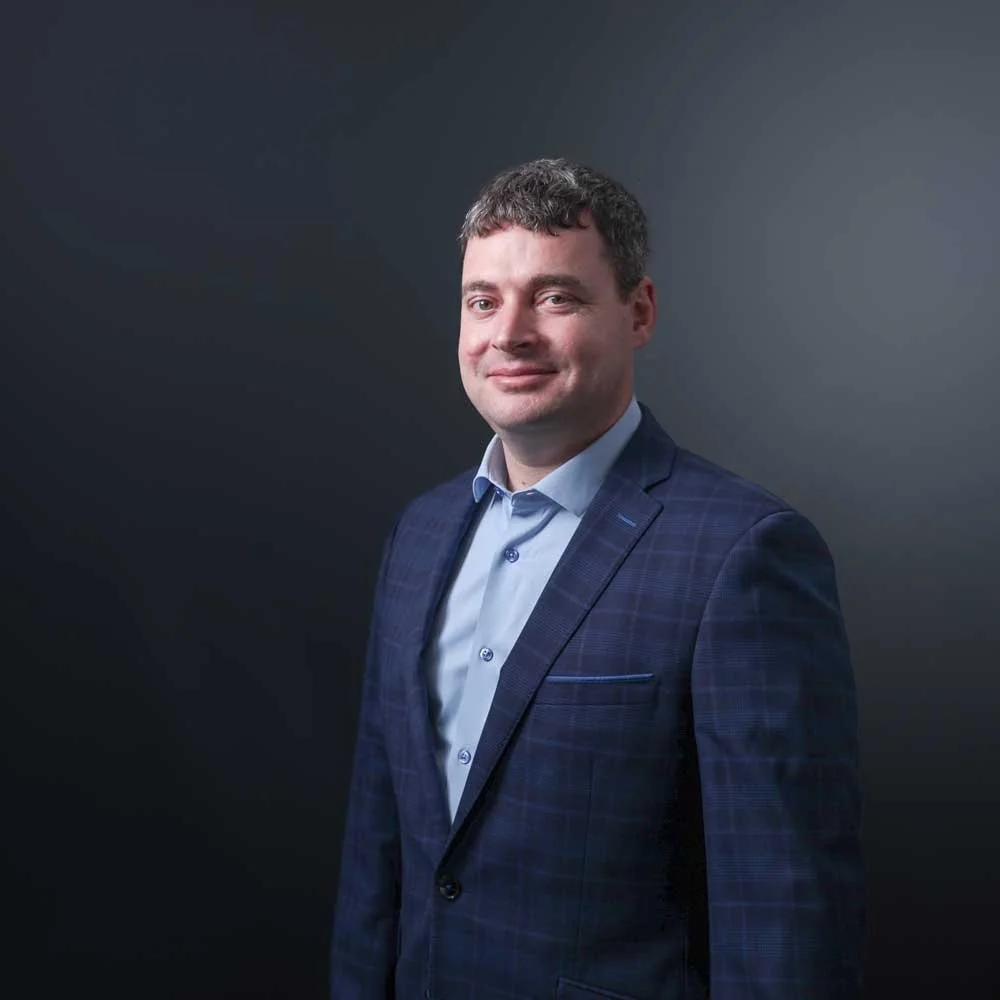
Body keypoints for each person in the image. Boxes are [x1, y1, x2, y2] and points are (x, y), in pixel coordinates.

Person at [330, 158, 865, 999]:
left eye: (555, 297)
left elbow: (781, 912)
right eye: (482, 301)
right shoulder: (419, 536)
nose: (508, 333)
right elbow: (377, 856)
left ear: (639, 312)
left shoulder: (744, 554)